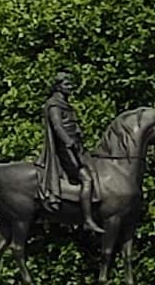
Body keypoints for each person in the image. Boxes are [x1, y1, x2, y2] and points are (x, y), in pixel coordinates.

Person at [41, 72, 102, 233]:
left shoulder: (65, 104)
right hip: (66, 149)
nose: (71, 87)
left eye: (71, 84)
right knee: (86, 178)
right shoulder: (54, 105)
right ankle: (87, 219)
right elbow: (57, 126)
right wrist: (68, 141)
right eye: (67, 84)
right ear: (58, 86)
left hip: (76, 147)